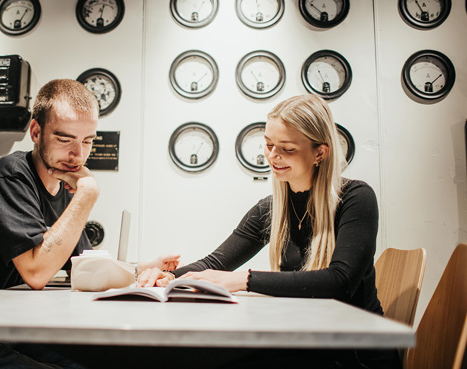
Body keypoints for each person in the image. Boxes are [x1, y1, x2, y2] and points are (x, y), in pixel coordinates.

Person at [0, 79, 179, 369]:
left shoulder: (64, 189)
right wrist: (87, 193)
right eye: (65, 139)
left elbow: (84, 269)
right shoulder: (10, 176)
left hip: (2, 331)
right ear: (36, 132)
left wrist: (142, 271)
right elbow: (37, 272)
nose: (79, 155)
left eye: (87, 140)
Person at [137, 94, 401, 369]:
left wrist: (243, 280)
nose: (273, 156)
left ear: (320, 152)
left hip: (356, 355)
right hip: (313, 345)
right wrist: (167, 277)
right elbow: (216, 263)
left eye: (286, 148)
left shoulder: (356, 199)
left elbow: (339, 282)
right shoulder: (271, 209)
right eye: (268, 144)